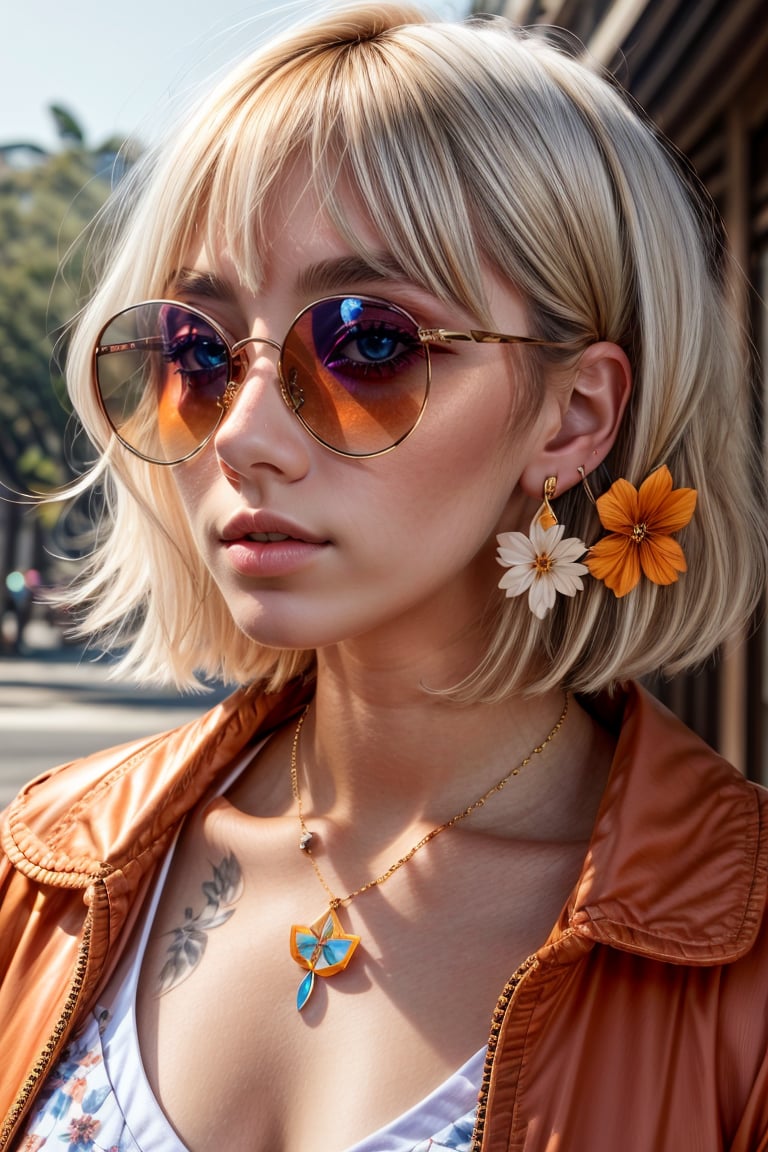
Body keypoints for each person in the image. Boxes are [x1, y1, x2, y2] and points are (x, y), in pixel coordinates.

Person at [1, 5, 767, 1150]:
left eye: (365, 342)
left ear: (575, 415)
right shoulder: (42, 868)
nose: (244, 434)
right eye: (195, 352)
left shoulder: (736, 955)